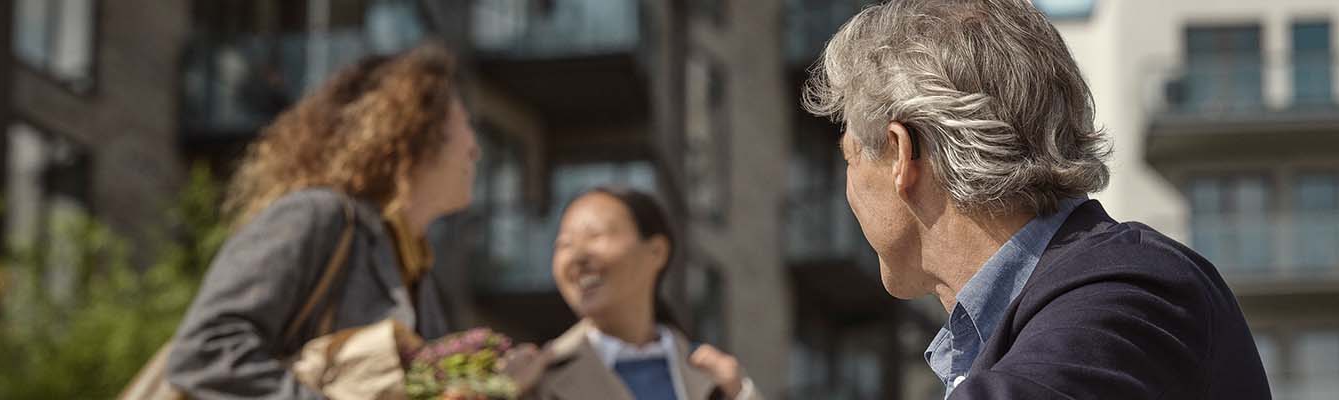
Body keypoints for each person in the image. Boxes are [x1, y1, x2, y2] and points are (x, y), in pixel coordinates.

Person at [801, 0, 1271, 399]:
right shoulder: (1082, 302)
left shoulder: (1133, 292)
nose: (849, 189)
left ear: (902, 154)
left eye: (850, 158)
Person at [165, 42, 481, 399]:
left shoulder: (416, 269)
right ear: (417, 133)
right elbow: (204, 353)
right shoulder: (317, 216)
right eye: (466, 125)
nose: (475, 149)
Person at [524, 187, 763, 400]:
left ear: (656, 252)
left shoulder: (713, 378)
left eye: (595, 235)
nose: (577, 257)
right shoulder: (534, 381)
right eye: (564, 245)